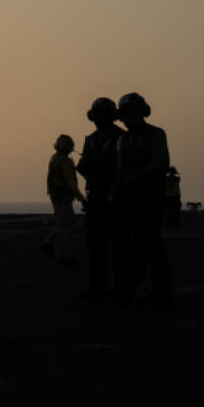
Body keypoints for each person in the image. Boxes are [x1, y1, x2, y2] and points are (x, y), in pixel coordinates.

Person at [113, 93, 172, 305]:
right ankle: (160, 292)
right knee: (151, 246)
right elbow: (120, 169)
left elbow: (161, 164)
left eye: (131, 114)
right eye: (125, 115)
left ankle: (129, 290)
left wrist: (134, 178)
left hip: (150, 197)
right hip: (129, 199)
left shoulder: (155, 134)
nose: (127, 119)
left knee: (144, 243)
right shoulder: (124, 139)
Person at [75, 97, 125, 297]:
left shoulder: (122, 137)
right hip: (96, 195)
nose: (98, 119)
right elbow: (85, 166)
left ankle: (120, 284)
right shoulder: (92, 139)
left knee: (119, 243)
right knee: (95, 243)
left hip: (117, 195)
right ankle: (98, 284)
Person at [40, 135, 86, 265]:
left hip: (56, 195)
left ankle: (48, 243)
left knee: (64, 224)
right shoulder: (65, 162)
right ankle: (61, 254)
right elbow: (71, 184)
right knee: (66, 225)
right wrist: (81, 198)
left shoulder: (54, 159)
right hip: (63, 196)